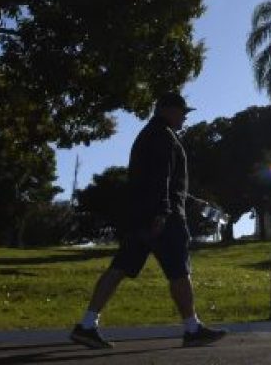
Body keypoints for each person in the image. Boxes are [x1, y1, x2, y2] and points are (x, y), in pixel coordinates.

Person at [69, 93, 227, 349]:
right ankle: (192, 328)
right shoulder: (162, 137)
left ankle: (87, 325)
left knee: (120, 267)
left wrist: (190, 200)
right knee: (179, 270)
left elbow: (157, 180)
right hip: (162, 220)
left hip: (141, 216)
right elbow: (160, 179)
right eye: (181, 110)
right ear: (165, 110)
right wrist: (163, 212)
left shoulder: (151, 135)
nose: (185, 115)